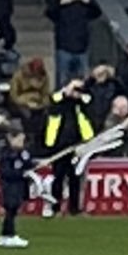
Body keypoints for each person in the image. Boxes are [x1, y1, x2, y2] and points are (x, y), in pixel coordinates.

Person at [42, 79, 94, 218]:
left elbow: (89, 102)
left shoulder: (81, 103)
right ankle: (55, 208)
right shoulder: (58, 101)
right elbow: (53, 100)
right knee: (58, 178)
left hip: (77, 146)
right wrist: (67, 91)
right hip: (59, 146)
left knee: (75, 178)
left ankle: (74, 209)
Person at [48, 0, 103, 87]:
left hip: (81, 48)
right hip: (64, 48)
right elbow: (50, 14)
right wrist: (61, 3)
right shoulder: (61, 8)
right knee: (62, 80)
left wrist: (89, 1)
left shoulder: (83, 7)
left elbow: (97, 13)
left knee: (83, 81)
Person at [0, 129, 33, 249]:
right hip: (9, 186)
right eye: (19, 139)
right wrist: (21, 174)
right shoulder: (7, 154)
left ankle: (6, 235)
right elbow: (5, 172)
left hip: (18, 186)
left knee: (13, 210)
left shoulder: (22, 153)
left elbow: (27, 164)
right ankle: (9, 235)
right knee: (10, 210)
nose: (21, 142)